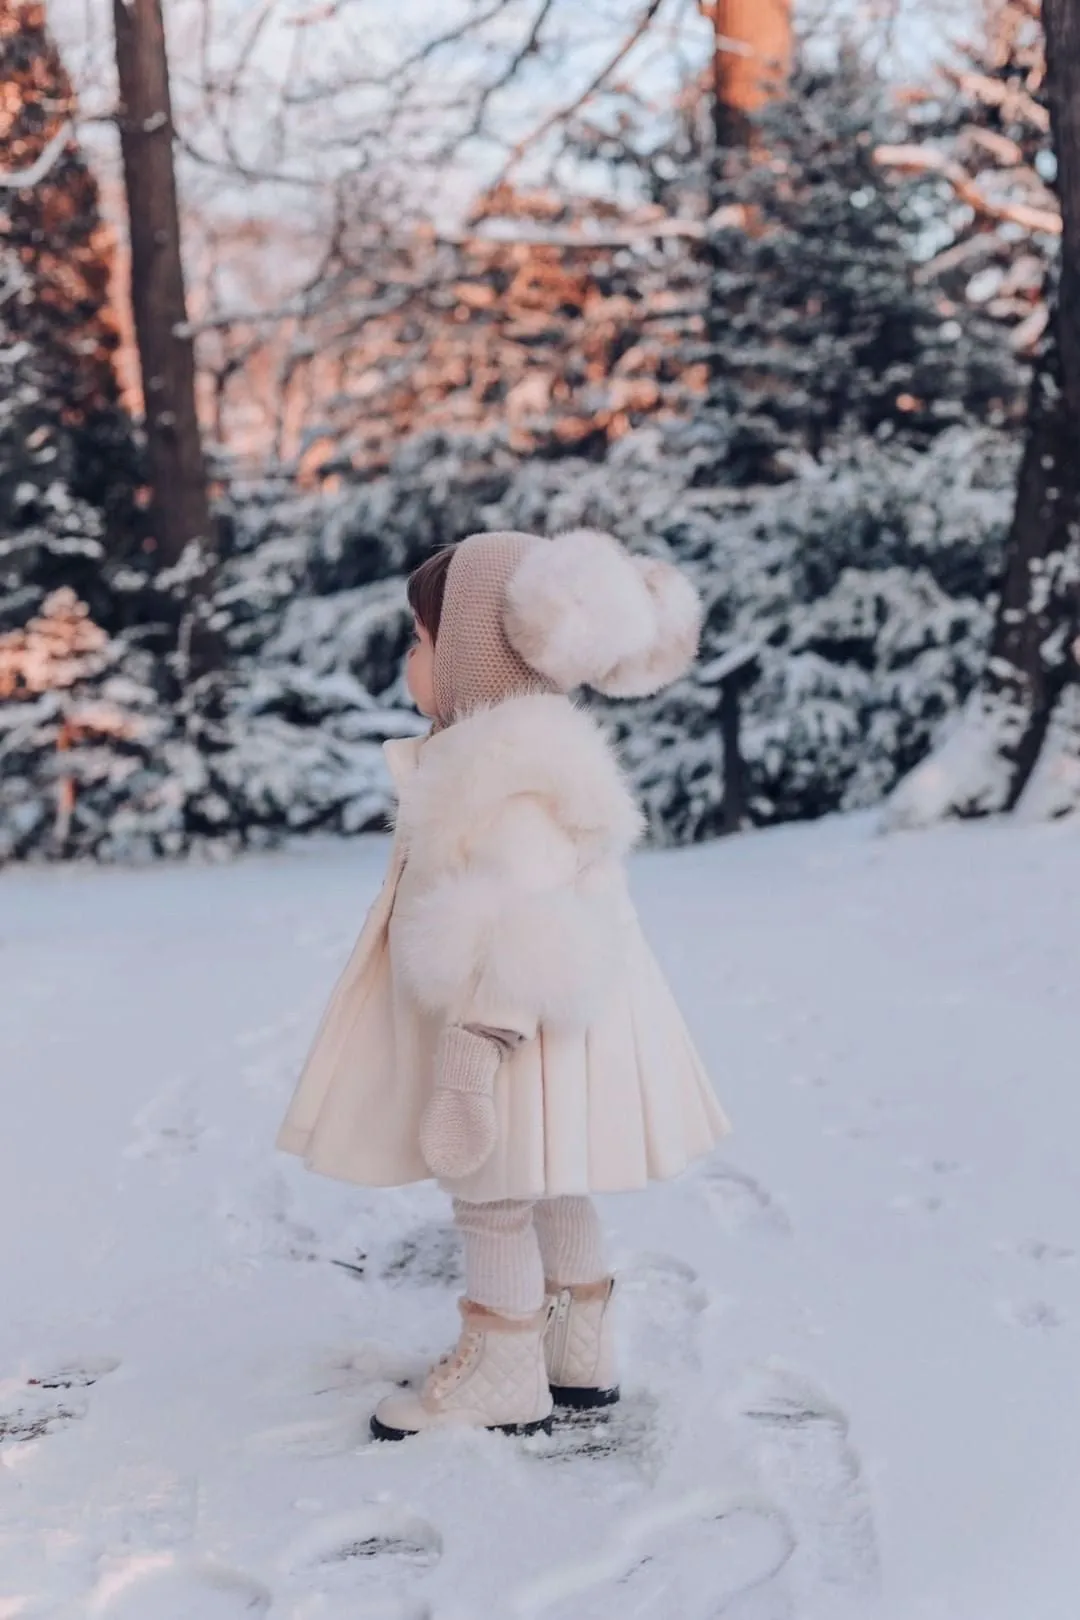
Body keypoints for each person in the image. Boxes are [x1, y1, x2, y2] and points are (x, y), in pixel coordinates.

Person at [277, 528, 730, 1440]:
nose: (411, 660)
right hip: (553, 1027)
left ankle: (502, 1370)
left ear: (475, 653)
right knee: (551, 1174)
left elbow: (525, 921)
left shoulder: (505, 776)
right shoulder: (516, 757)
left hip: (509, 1026)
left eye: (421, 641)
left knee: (489, 1194)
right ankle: (576, 1346)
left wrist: (471, 1050)